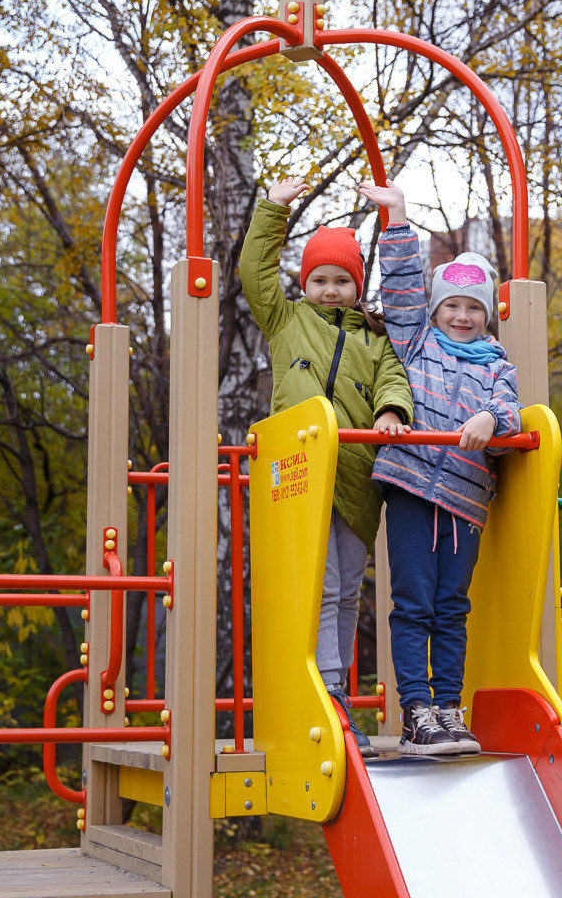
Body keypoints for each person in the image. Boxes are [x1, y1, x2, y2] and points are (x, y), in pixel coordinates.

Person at [240, 177, 414, 751]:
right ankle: (328, 691)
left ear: (357, 286)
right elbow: (254, 275)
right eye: (320, 279)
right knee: (321, 585)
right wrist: (274, 209)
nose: (331, 289)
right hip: (299, 477)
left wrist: (391, 409)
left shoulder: (374, 339)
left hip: (356, 481)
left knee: (344, 591)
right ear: (304, 283)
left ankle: (334, 691)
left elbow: (393, 378)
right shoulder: (286, 321)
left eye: (343, 280)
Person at [359, 178, 522, 756]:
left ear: (486, 315)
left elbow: (510, 412)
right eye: (451, 304)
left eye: (472, 307)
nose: (461, 315)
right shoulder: (418, 342)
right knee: (414, 603)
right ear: (436, 309)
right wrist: (397, 219)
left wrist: (490, 419)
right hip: (410, 488)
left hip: (464, 500)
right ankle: (417, 712)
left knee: (452, 606)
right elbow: (401, 289)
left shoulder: (497, 366)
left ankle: (450, 708)